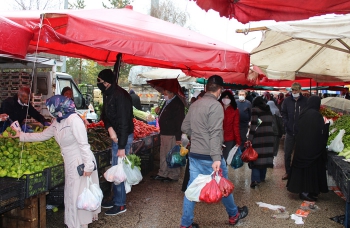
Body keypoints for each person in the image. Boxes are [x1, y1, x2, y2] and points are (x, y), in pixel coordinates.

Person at [15, 95, 100, 228]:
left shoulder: (74, 120)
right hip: (69, 162)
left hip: (80, 162)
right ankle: (73, 224)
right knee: (72, 196)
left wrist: (88, 167)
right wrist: (21, 136)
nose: (51, 112)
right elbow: (43, 135)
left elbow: (84, 145)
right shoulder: (58, 121)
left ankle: (79, 225)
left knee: (79, 197)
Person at [180, 75, 248, 228]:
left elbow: (185, 128)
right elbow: (216, 132)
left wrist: (197, 135)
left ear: (206, 88)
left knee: (192, 188)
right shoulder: (215, 106)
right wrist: (217, 158)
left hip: (195, 153)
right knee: (223, 185)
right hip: (211, 156)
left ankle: (186, 224)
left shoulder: (195, 104)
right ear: (220, 90)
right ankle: (233, 215)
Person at [97, 69, 134, 216]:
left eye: (99, 81)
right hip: (116, 136)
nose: (98, 83)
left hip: (122, 138)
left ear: (106, 81)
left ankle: (120, 204)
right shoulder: (108, 93)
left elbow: (125, 123)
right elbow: (104, 115)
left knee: (119, 171)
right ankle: (116, 198)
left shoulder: (121, 96)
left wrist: (122, 146)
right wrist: (109, 128)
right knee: (115, 170)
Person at [287, 96, 329, 201]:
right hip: (312, 149)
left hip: (301, 148)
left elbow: (297, 128)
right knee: (311, 171)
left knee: (303, 171)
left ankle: (304, 191)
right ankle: (307, 192)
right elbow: (320, 133)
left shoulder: (303, 113)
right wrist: (327, 125)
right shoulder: (317, 115)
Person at [151, 88, 185, 182]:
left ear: (172, 93)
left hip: (172, 134)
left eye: (165, 93)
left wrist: (178, 137)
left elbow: (179, 121)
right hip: (164, 133)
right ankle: (163, 173)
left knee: (172, 155)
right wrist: (159, 112)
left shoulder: (177, 104)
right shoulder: (167, 102)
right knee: (164, 154)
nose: (164, 95)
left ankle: (173, 175)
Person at [281, 83, 308, 180]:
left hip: (301, 132)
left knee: (300, 153)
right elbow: (283, 113)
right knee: (287, 153)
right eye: (293, 90)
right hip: (289, 131)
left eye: (296, 90)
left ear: (300, 90)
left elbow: (307, 114)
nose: (295, 92)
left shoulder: (305, 101)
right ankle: (288, 172)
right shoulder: (287, 101)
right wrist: (286, 123)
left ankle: (299, 172)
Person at [247, 97, 274, 188]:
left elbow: (254, 125)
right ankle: (262, 177)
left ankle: (255, 179)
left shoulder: (255, 110)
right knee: (264, 157)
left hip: (259, 137)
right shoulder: (268, 110)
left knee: (256, 157)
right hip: (269, 137)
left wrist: (249, 139)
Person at [218, 90, 241, 162]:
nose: (226, 99)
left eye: (228, 97)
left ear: (231, 99)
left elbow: (235, 126)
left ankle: (222, 172)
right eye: (224, 97)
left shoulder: (234, 110)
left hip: (229, 138)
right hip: (217, 136)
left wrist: (238, 140)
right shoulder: (217, 107)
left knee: (224, 158)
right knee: (216, 157)